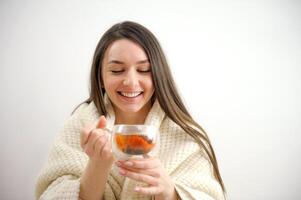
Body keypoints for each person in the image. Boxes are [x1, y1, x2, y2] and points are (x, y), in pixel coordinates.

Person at [35, 21, 226, 200]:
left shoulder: (185, 136)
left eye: (144, 70)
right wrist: (98, 165)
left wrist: (169, 192)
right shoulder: (80, 126)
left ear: (158, 74)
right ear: (100, 77)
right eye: (117, 71)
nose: (131, 82)